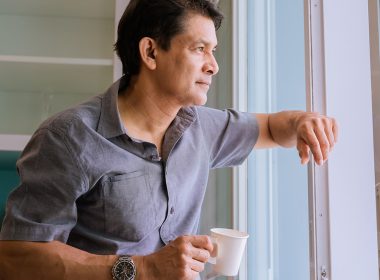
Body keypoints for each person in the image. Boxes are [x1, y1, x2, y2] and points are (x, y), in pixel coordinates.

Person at [0, 0, 338, 279]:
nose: (214, 66)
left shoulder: (201, 128)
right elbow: (16, 257)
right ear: (150, 52)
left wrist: (302, 122)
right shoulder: (68, 138)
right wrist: (143, 268)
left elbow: (271, 129)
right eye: (199, 49)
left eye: (214, 50)